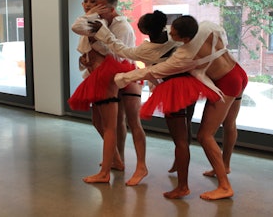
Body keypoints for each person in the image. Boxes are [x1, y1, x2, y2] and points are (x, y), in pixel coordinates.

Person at [114, 15, 248, 200]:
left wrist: (124, 77)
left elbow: (156, 70)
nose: (170, 33)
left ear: (184, 38)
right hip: (237, 71)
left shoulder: (185, 54)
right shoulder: (207, 26)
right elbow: (221, 37)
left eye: (174, 33)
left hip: (226, 82)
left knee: (204, 135)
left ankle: (225, 186)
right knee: (228, 124)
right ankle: (224, 165)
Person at [90, 10, 220, 199]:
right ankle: (179, 164)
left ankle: (183, 186)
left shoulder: (147, 50)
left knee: (180, 140)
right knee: (186, 130)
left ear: (144, 31)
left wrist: (103, 33)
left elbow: (122, 50)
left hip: (173, 90)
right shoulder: (175, 37)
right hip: (191, 85)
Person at [94, 0, 148, 186]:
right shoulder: (105, 24)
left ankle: (140, 165)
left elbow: (120, 56)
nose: (96, 11)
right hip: (115, 77)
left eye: (100, 7)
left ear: (111, 8)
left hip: (127, 75)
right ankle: (119, 158)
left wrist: (98, 50)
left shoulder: (122, 26)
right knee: (115, 121)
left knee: (133, 121)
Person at [71, 0, 124, 171]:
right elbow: (86, 48)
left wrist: (93, 14)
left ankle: (108, 169)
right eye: (85, 1)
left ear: (101, 6)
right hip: (94, 75)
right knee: (97, 121)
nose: (88, 5)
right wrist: (84, 59)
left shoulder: (97, 21)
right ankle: (115, 159)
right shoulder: (91, 21)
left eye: (92, 2)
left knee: (109, 124)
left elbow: (76, 27)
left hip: (104, 75)